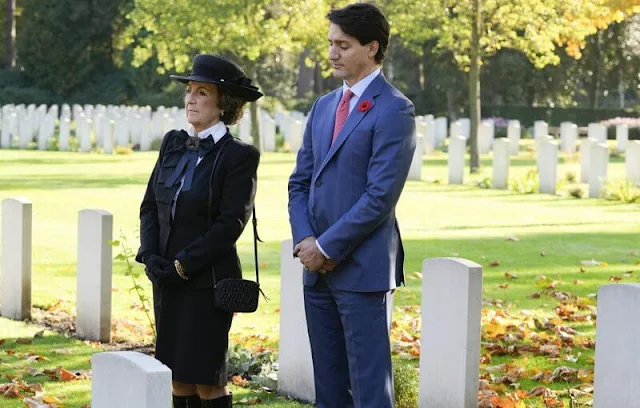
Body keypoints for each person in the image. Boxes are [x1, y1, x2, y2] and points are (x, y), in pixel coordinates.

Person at [288, 3, 416, 407]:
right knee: (329, 391)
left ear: (372, 47)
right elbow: (300, 183)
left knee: (370, 392)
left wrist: (326, 247)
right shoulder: (323, 106)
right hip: (316, 271)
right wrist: (307, 240)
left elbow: (380, 196)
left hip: (361, 269)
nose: (332, 53)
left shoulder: (395, 109)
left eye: (343, 45)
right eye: (330, 44)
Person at [136, 54, 262, 408]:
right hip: (165, 279)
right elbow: (149, 205)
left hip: (206, 281)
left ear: (223, 103)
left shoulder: (239, 156)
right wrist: (151, 257)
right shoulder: (173, 143)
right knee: (176, 376)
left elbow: (230, 224)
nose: (190, 98)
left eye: (201, 92)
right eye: (189, 91)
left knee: (207, 380)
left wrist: (182, 265)